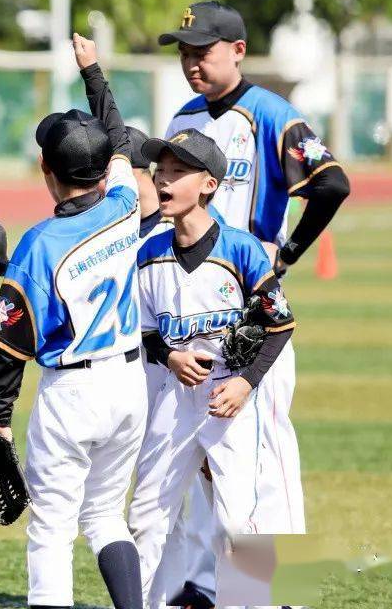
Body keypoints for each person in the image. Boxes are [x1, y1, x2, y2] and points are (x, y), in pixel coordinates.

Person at [77, 1, 350, 605]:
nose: (191, 62)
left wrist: (288, 255)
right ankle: (198, 586)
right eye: (183, 51)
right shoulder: (185, 117)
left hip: (248, 300)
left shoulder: (270, 114)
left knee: (263, 469)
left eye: (202, 50)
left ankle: (276, 595)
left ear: (238, 51)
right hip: (182, 290)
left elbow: (330, 182)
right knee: (190, 473)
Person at [0, 107, 145, 609]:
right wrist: (93, 72)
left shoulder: (39, 243)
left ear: (44, 168)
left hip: (71, 395)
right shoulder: (126, 205)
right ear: (104, 169)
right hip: (129, 383)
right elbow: (118, 137)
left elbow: (13, 345)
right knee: (105, 516)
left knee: (52, 528)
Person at [126, 129, 296, 607]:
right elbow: (144, 332)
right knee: (146, 513)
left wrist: (245, 383)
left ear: (208, 185)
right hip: (176, 400)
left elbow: (280, 324)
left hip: (230, 399)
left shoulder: (241, 249)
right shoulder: (147, 255)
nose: (164, 180)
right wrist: (171, 356)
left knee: (239, 519)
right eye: (161, 170)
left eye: (178, 172)